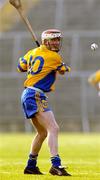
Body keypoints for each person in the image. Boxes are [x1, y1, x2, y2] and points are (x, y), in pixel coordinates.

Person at [17, 29, 71, 176]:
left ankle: (31, 166)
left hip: (28, 93)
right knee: (53, 128)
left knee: (42, 133)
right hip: (35, 94)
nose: (56, 42)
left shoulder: (32, 52)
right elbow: (64, 69)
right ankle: (56, 165)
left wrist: (35, 55)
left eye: (58, 39)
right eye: (53, 40)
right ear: (45, 41)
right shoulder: (55, 57)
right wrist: (61, 67)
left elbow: (20, 66)